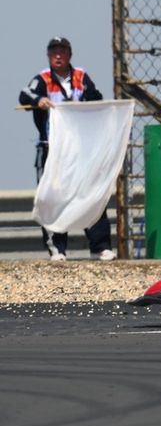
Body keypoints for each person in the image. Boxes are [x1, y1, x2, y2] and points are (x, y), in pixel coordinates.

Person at [17, 37, 116, 261]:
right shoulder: (42, 78)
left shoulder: (81, 76)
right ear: (48, 56)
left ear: (70, 54)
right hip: (52, 150)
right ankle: (57, 248)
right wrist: (40, 100)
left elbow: (95, 97)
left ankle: (100, 247)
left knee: (91, 192)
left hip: (81, 149)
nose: (58, 55)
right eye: (54, 52)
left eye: (62, 51)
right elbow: (25, 95)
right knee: (53, 197)